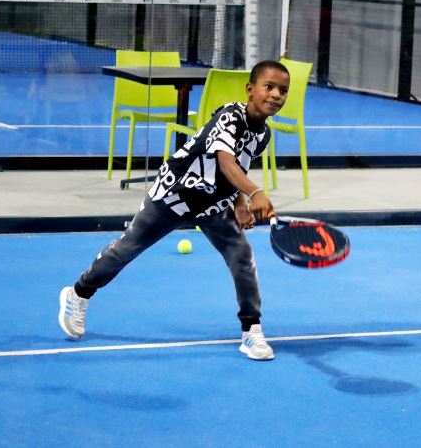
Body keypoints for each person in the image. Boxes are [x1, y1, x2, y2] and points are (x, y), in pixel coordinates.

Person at [58, 60, 291, 360]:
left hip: (212, 204)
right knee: (126, 249)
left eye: (282, 91)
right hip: (175, 194)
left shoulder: (263, 135)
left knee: (242, 257)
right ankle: (79, 293)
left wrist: (240, 204)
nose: (275, 95)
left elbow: (237, 167)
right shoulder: (229, 117)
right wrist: (255, 192)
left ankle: (251, 331)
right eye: (268, 87)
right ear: (250, 90)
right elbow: (225, 161)